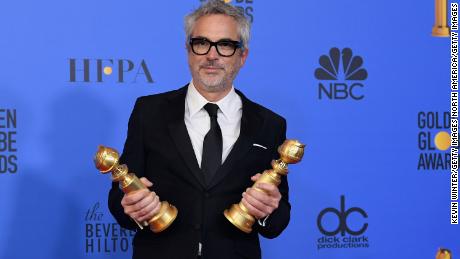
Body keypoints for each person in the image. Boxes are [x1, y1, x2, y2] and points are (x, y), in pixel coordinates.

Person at [108, 1, 290, 258]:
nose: (212, 55)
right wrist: (129, 206)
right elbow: (118, 198)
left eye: (225, 45)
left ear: (243, 56)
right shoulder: (148, 112)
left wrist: (268, 210)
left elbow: (278, 220)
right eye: (201, 43)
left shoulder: (269, 124)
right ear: (188, 50)